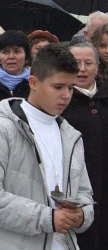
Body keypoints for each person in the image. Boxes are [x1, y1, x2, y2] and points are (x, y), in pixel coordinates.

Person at [0, 44, 94, 249]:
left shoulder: (71, 136)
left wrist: (81, 215)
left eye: (71, 87)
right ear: (33, 82)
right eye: (58, 87)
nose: (66, 95)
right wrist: (48, 218)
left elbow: (85, 194)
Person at [61, 43, 108, 249]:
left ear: (97, 67)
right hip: (75, 183)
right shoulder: (61, 99)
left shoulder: (104, 95)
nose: (82, 68)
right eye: (76, 63)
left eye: (88, 63)